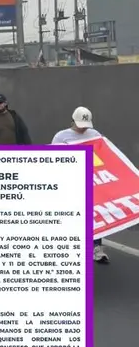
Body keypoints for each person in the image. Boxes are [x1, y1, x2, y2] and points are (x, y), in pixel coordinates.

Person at [52, 106, 107, 263]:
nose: (84, 130)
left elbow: (105, 155)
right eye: (81, 126)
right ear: (73, 121)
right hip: (70, 182)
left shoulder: (95, 134)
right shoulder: (61, 137)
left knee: (94, 214)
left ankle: (96, 247)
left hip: (91, 181)